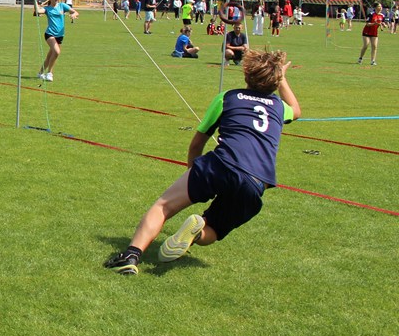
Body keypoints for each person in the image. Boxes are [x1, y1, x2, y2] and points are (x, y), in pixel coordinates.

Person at [103, 49, 301, 275]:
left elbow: (197, 144)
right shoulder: (278, 107)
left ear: (246, 74)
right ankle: (196, 231)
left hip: (220, 164)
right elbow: (296, 110)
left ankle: (131, 256)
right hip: (256, 181)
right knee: (214, 228)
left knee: (163, 206)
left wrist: (194, 173)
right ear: (276, 81)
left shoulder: (228, 98)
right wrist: (282, 78)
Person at [33, 0, 77, 82]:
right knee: (57, 52)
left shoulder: (62, 6)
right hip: (50, 34)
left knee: (50, 56)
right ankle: (50, 73)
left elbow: (75, 12)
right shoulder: (47, 9)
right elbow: (37, 11)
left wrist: (74, 14)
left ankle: (40, 73)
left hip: (60, 35)